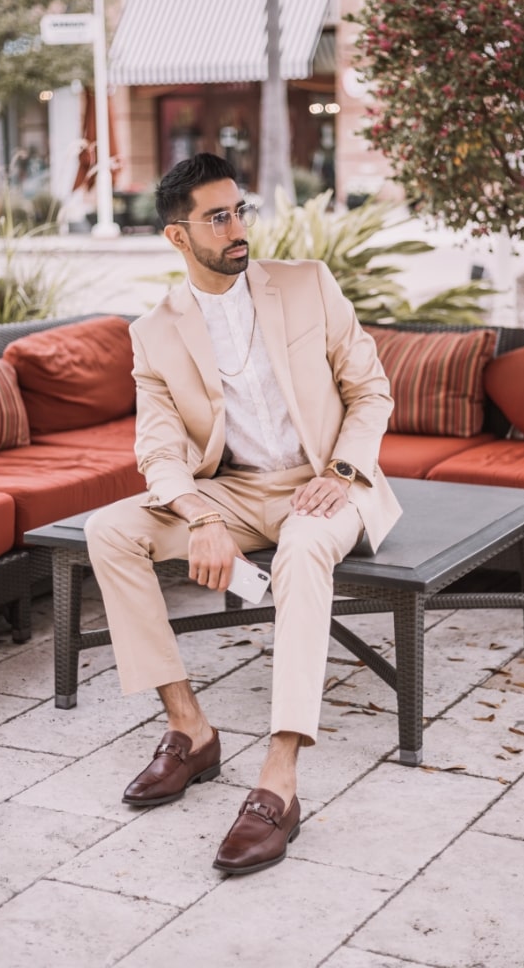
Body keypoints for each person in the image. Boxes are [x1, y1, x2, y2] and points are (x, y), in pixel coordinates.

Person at [85, 153, 401, 875]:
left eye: (239, 211)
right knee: (109, 531)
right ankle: (188, 728)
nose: (236, 228)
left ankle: (279, 779)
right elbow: (159, 451)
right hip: (228, 492)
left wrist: (344, 472)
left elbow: (370, 390)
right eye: (216, 217)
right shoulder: (154, 333)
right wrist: (199, 514)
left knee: (300, 552)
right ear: (176, 236)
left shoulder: (306, 284)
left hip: (324, 482)